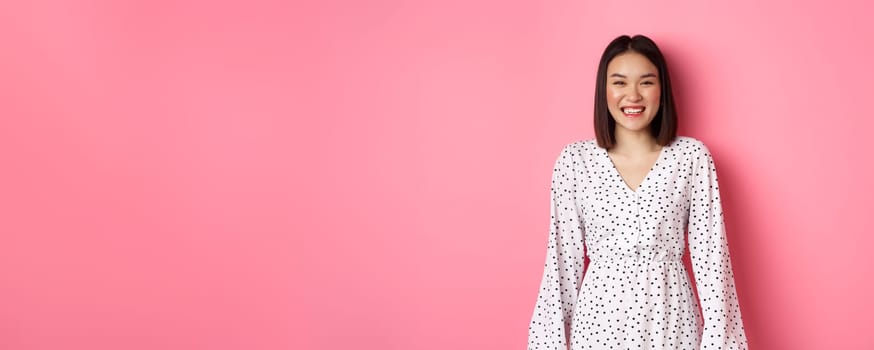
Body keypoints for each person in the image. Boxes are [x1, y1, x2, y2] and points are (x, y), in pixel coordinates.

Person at [526, 34, 749, 350]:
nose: (633, 95)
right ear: (604, 90)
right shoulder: (575, 162)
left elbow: (713, 263)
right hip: (598, 327)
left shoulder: (691, 158)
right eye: (619, 82)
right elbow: (561, 264)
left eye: (646, 82)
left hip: (671, 321)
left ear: (662, 91)